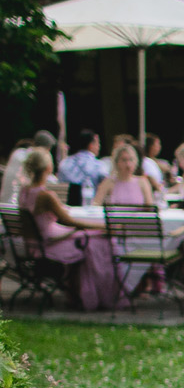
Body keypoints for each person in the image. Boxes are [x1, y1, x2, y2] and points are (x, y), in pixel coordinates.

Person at [15, 146, 121, 308]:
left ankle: (77, 292)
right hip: (48, 244)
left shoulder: (24, 191)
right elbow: (69, 221)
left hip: (33, 243)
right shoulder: (46, 196)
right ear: (49, 168)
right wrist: (101, 227)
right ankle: (92, 295)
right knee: (98, 241)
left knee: (88, 238)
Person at [96, 143, 159, 208]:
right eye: (124, 160)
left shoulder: (143, 182)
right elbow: (96, 204)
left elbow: (150, 207)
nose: (128, 165)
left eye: (131, 160)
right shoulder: (108, 182)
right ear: (117, 162)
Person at [2, 132, 51, 206]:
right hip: (14, 205)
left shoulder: (18, 153)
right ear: (47, 149)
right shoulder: (34, 159)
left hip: (4, 204)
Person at [58, 129, 106, 202]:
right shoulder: (99, 165)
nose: (99, 146)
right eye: (98, 143)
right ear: (91, 145)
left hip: (65, 205)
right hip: (91, 204)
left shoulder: (65, 162)